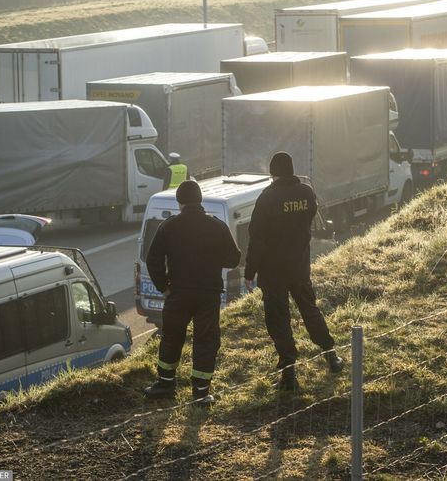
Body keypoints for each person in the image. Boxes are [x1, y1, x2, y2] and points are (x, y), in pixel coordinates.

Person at [244, 152, 344, 392]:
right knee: (310, 310)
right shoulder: (306, 193)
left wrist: (250, 272)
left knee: (279, 321)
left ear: (272, 173)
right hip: (299, 267)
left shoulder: (267, 198)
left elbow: (257, 239)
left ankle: (289, 374)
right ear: (291, 170)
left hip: (273, 272)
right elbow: (309, 219)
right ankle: (331, 356)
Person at [143, 180, 241, 404]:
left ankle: (165, 385)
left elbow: (153, 260)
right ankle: (201, 392)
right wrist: (215, 258)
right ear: (200, 200)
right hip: (208, 294)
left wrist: (164, 287)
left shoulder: (168, 226)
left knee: (171, 337)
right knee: (205, 340)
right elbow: (234, 259)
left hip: (178, 293)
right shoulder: (216, 226)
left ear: (180, 203)